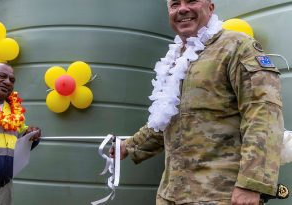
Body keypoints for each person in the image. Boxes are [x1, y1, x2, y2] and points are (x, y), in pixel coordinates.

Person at [111, 0, 284, 205]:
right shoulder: (175, 58)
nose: (183, 8)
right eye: (175, 4)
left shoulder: (237, 46)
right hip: (171, 195)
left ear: (210, 7)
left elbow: (263, 115)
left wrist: (252, 184)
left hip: (221, 196)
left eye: (191, 0)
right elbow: (168, 119)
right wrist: (129, 146)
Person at [0, 63, 41, 205]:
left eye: (12, 79)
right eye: (2, 76)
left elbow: (22, 141)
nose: (7, 82)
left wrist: (33, 135)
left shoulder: (13, 109)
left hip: (4, 189)